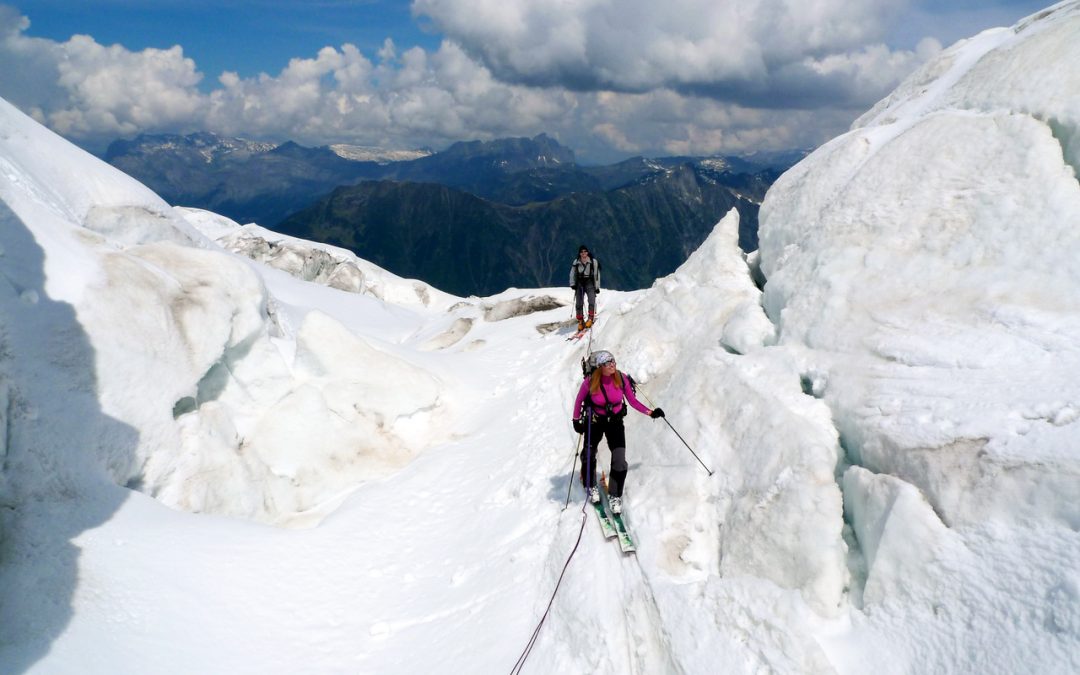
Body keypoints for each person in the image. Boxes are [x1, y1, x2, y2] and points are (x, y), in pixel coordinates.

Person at [571, 350, 664, 514]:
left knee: (620, 460)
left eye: (613, 361)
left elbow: (633, 401)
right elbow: (579, 401)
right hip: (595, 421)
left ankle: (615, 495)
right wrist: (576, 420)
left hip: (615, 422)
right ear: (600, 367)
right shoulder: (590, 382)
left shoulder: (620, 378)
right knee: (588, 453)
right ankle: (589, 483)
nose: (612, 364)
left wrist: (651, 412)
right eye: (608, 363)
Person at [569, 245, 600, 331]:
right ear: (579, 253)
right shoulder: (576, 262)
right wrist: (572, 284)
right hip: (579, 284)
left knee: (591, 300)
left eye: (585, 251)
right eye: (582, 252)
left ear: (587, 252)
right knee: (579, 303)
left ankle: (590, 318)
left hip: (589, 283)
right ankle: (581, 321)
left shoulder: (593, 262)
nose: (584, 253)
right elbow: (572, 273)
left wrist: (597, 287)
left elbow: (596, 275)